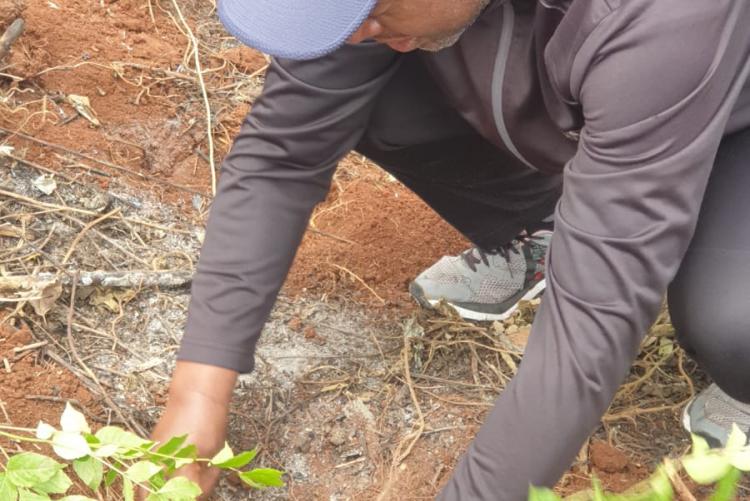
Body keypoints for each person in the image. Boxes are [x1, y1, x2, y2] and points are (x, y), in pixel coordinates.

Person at [150, 0, 750, 499]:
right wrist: (197, 395)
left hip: (729, 126)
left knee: (733, 323)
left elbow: (593, 319)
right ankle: (549, 228)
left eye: (377, 10)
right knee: (371, 94)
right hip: (597, 96)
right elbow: (283, 153)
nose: (359, 30)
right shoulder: (381, 14)